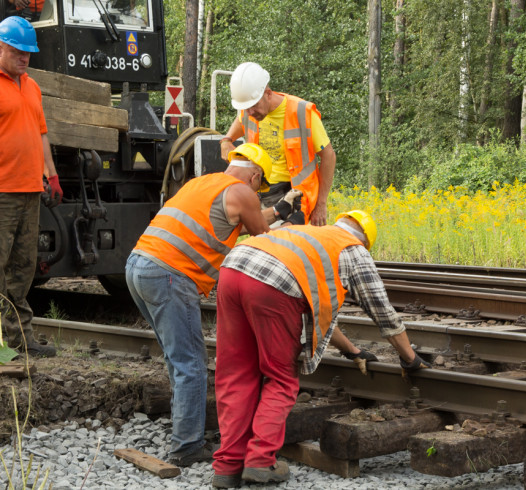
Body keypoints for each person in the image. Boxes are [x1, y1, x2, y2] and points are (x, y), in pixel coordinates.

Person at [211, 210, 432, 488]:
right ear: (365, 241)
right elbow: (383, 313)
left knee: (236, 375)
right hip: (273, 284)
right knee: (280, 378)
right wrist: (409, 358)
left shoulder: (309, 234)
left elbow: (321, 317)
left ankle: (227, 468)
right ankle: (259, 461)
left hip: (233, 268)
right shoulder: (353, 250)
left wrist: (352, 351)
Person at [125, 143, 303, 467]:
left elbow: (249, 217)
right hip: (169, 276)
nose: (258, 193)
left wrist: (279, 211)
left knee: (177, 358)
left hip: (138, 266)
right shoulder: (243, 192)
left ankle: (184, 430)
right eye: (260, 187)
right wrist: (291, 227)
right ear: (255, 176)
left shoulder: (203, 183)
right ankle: (187, 446)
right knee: (191, 364)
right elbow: (263, 239)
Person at [0, 16, 61, 358]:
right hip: (2, 192)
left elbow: (41, 135)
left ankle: (20, 339)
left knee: (22, 269)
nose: (25, 58)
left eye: (29, 53)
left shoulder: (32, 86)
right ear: (1, 48)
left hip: (28, 191)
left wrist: (50, 175)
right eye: (18, 51)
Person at [220, 62, 336, 226]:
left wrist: (321, 204)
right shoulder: (249, 110)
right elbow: (241, 120)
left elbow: (328, 156)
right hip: (263, 191)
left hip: (297, 195)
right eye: (246, 108)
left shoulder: (302, 112)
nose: (250, 113)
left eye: (253, 106)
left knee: (283, 245)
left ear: (268, 94)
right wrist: (226, 139)